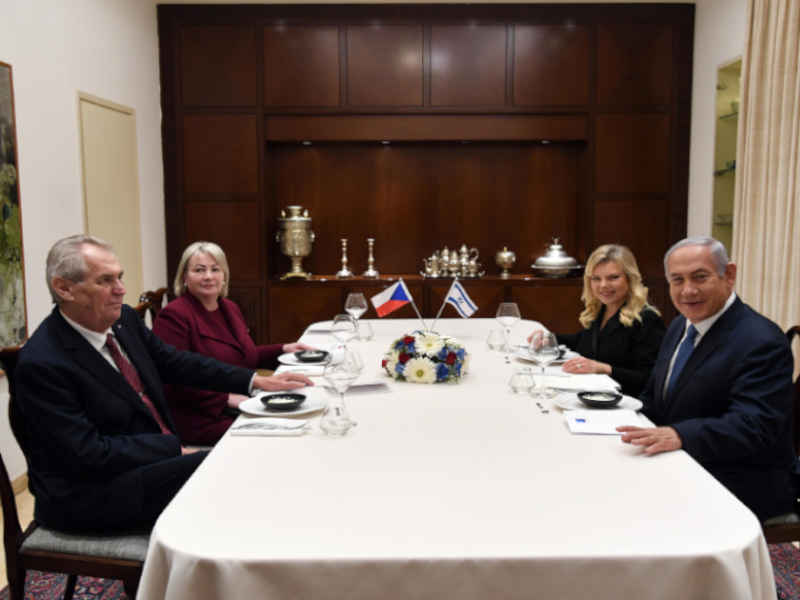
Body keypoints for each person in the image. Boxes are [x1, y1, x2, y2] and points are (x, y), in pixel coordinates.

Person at [13, 235, 312, 533]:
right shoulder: (43, 362)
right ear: (64, 288)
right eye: (105, 281)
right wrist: (172, 449)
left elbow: (177, 362)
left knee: (255, 457)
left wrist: (253, 380)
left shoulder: (123, 320)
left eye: (120, 277)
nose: (121, 290)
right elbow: (88, 453)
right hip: (90, 493)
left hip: (142, 462)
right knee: (234, 469)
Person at [618, 237, 796, 523]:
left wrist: (679, 435)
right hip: (683, 463)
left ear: (729, 275)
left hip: (738, 481)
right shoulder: (679, 325)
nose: (688, 290)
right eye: (677, 280)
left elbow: (754, 426)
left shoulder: (761, 340)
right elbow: (655, 398)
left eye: (700, 277)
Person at [152, 241, 312, 445]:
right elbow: (173, 378)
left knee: (301, 413)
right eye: (199, 270)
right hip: (201, 417)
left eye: (215, 269)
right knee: (281, 432)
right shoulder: (174, 316)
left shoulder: (229, 307)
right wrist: (226, 399)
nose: (208, 276)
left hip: (241, 403)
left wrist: (283, 349)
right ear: (184, 277)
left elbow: (244, 355)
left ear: (224, 275)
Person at [529, 244, 665, 396]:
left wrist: (603, 368)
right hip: (592, 394)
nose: (603, 285)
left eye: (613, 277)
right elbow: (584, 341)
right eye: (596, 278)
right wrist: (550, 338)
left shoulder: (647, 319)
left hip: (622, 403)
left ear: (630, 278)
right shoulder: (602, 308)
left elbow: (648, 379)